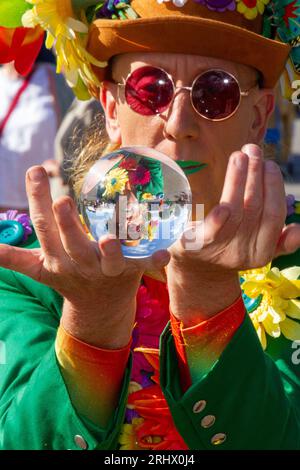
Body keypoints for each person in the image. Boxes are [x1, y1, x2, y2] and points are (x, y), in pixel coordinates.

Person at [1, 0, 300, 450]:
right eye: (150, 89)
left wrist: (209, 304)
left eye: (215, 93)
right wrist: (91, 323)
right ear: (112, 109)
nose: (179, 124)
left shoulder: (293, 253)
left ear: (257, 117)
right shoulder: (31, 266)